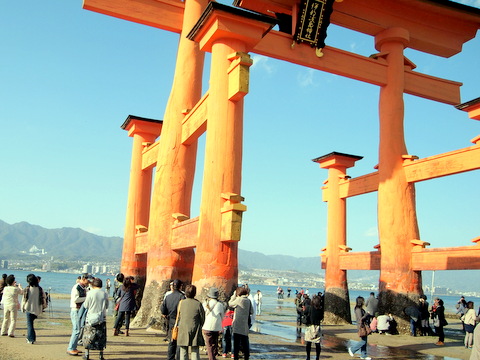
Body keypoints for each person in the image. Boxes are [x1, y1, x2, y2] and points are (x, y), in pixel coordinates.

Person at [82, 277, 109, 360]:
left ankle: (87, 354)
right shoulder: (104, 293)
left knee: (88, 336)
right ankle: (101, 355)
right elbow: (107, 305)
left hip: (90, 317)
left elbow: (86, 305)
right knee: (101, 337)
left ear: (93, 284)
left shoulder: (90, 293)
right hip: (101, 318)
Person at [177, 284, 205, 360]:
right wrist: (201, 324)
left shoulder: (181, 303)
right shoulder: (198, 304)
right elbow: (202, 318)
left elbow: (179, 315)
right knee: (195, 351)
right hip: (195, 328)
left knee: (183, 351)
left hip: (183, 328)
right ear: (195, 293)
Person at [161, 279, 185, 360]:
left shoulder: (167, 297)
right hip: (180, 321)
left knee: (172, 341)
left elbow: (163, 310)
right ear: (180, 286)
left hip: (171, 321)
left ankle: (170, 358)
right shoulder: (182, 297)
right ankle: (178, 357)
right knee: (179, 342)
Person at [229, 286, 253, 360]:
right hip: (245, 324)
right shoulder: (248, 301)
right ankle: (246, 357)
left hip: (237, 324)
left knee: (236, 344)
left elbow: (230, 303)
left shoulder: (239, 300)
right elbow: (252, 311)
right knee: (245, 342)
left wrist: (233, 295)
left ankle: (236, 357)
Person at [67, 274, 89, 355]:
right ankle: (70, 348)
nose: (88, 282)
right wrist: (87, 298)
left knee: (79, 329)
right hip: (75, 310)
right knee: (76, 330)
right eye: (87, 280)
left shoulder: (83, 288)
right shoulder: (77, 287)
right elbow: (75, 299)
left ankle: (74, 347)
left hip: (80, 310)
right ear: (83, 279)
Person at [21, 273, 46, 345]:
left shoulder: (27, 289)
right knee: (31, 324)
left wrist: (22, 308)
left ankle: (31, 339)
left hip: (29, 308)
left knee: (30, 325)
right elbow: (44, 297)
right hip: (37, 309)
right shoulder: (40, 289)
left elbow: (24, 299)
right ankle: (31, 337)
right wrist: (43, 306)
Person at [202, 287, 224, 360]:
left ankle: (211, 358)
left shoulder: (205, 304)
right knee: (215, 343)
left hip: (207, 327)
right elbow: (222, 316)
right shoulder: (220, 305)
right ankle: (214, 357)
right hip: (216, 327)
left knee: (209, 345)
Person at [304, 295, 324, 360]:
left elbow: (304, 313)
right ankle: (317, 357)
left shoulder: (309, 308)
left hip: (310, 326)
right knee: (317, 343)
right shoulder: (321, 309)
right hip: (317, 326)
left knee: (308, 342)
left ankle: (308, 357)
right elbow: (321, 317)